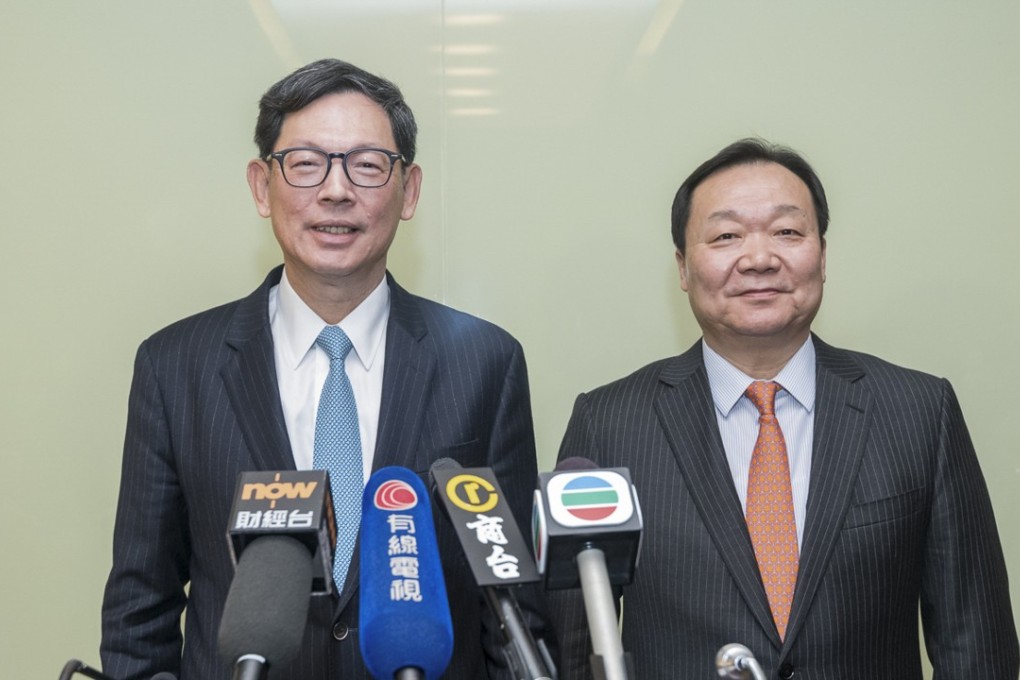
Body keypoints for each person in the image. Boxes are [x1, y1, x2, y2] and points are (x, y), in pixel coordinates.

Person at [101, 58, 552, 680]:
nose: (336, 191)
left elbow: (512, 611)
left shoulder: (484, 362)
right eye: (307, 163)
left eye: (367, 164)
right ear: (262, 186)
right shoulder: (174, 366)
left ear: (410, 189)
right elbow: (138, 614)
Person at [550, 138, 1019, 678]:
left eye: (787, 232)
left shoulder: (918, 411)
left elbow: (975, 643)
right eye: (726, 236)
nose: (758, 258)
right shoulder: (608, 423)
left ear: (823, 255)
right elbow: (573, 648)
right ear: (682, 267)